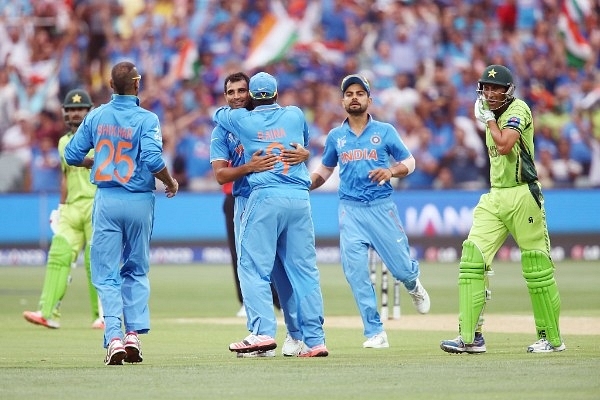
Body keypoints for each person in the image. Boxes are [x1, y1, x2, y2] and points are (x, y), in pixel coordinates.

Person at [440, 64, 565, 354]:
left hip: (524, 194)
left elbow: (506, 145)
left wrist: (488, 121)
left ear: (508, 92)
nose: (491, 93)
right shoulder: (490, 116)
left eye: (497, 88)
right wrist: (488, 119)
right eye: (487, 87)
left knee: (536, 266)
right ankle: (470, 337)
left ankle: (551, 338)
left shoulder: (518, 109)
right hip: (496, 195)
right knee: (472, 258)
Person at [64, 61, 179, 365]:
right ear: (137, 85)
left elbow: (72, 154)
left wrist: (97, 160)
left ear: (111, 86)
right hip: (140, 200)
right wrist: (169, 181)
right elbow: (154, 158)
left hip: (108, 199)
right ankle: (133, 336)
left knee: (106, 272)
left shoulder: (97, 116)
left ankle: (113, 336)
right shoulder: (148, 119)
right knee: (136, 269)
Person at [309, 74, 431, 349]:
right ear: (342, 101)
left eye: (359, 93)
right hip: (350, 210)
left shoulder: (385, 131)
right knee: (355, 272)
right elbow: (326, 169)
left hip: (381, 207)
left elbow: (409, 162)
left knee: (401, 269)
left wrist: (390, 171)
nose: (354, 97)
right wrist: (307, 184)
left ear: (369, 100)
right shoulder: (336, 136)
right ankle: (374, 331)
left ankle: (413, 284)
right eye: (349, 93)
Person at [213, 72, 328, 357]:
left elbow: (219, 114)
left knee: (251, 267)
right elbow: (301, 142)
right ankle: (314, 340)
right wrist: (303, 155)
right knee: (303, 272)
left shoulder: (240, 120)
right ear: (276, 94)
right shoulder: (294, 114)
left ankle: (263, 333)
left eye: (243, 91)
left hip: (263, 200)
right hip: (297, 198)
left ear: (251, 94)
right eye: (231, 92)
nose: (237, 96)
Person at [23, 89, 104, 330]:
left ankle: (102, 316)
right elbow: (65, 177)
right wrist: (60, 207)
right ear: (64, 114)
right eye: (71, 110)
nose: (75, 113)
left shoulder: (100, 138)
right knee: (58, 254)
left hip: (96, 203)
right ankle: (48, 313)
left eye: (80, 109)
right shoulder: (63, 142)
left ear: (89, 112)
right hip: (71, 208)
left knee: (95, 261)